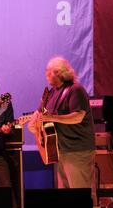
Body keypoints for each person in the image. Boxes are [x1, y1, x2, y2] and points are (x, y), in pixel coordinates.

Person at [28, 56, 95, 192]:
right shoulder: (51, 93)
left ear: (58, 72)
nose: (46, 74)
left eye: (49, 71)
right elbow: (40, 114)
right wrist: (34, 124)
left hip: (77, 150)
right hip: (60, 150)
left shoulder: (75, 90)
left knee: (80, 191)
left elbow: (78, 116)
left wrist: (52, 117)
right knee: (65, 194)